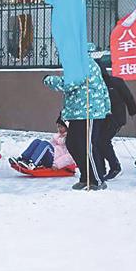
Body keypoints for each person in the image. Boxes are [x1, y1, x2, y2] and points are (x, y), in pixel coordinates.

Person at [43, 43, 111, 190]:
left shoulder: (84, 65)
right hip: (77, 112)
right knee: (73, 144)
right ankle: (85, 177)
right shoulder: (79, 64)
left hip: (89, 112)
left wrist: (48, 79)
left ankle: (97, 180)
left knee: (87, 146)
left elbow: (68, 84)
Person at [96, 63, 136, 180]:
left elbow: (128, 97)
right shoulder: (94, 85)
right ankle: (100, 168)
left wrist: (132, 111)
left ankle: (115, 167)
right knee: (96, 141)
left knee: (103, 141)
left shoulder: (116, 82)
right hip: (100, 118)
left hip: (116, 118)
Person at [9, 117, 75, 170]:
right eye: (58, 127)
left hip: (54, 161)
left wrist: (56, 165)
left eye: (61, 127)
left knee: (45, 144)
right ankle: (23, 159)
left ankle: (32, 163)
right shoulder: (57, 137)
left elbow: (70, 156)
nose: (59, 129)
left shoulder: (70, 139)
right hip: (50, 157)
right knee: (37, 141)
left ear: (66, 127)